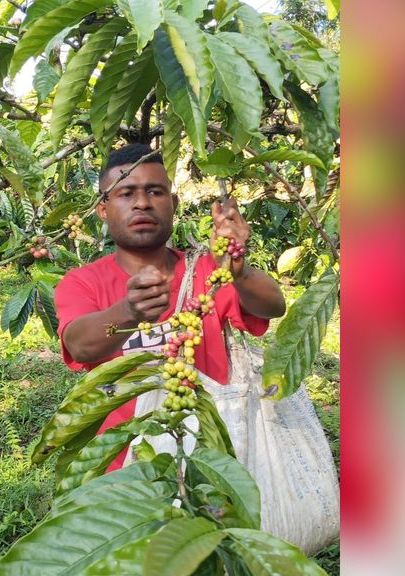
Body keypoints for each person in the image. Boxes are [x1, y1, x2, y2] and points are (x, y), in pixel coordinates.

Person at [55, 143, 287, 470]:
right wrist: (129, 311)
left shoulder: (209, 270)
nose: (142, 203)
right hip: (123, 464)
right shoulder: (83, 283)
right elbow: (79, 345)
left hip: (210, 458)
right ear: (103, 209)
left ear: (173, 203)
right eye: (125, 194)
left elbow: (273, 306)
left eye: (155, 191)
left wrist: (238, 271)